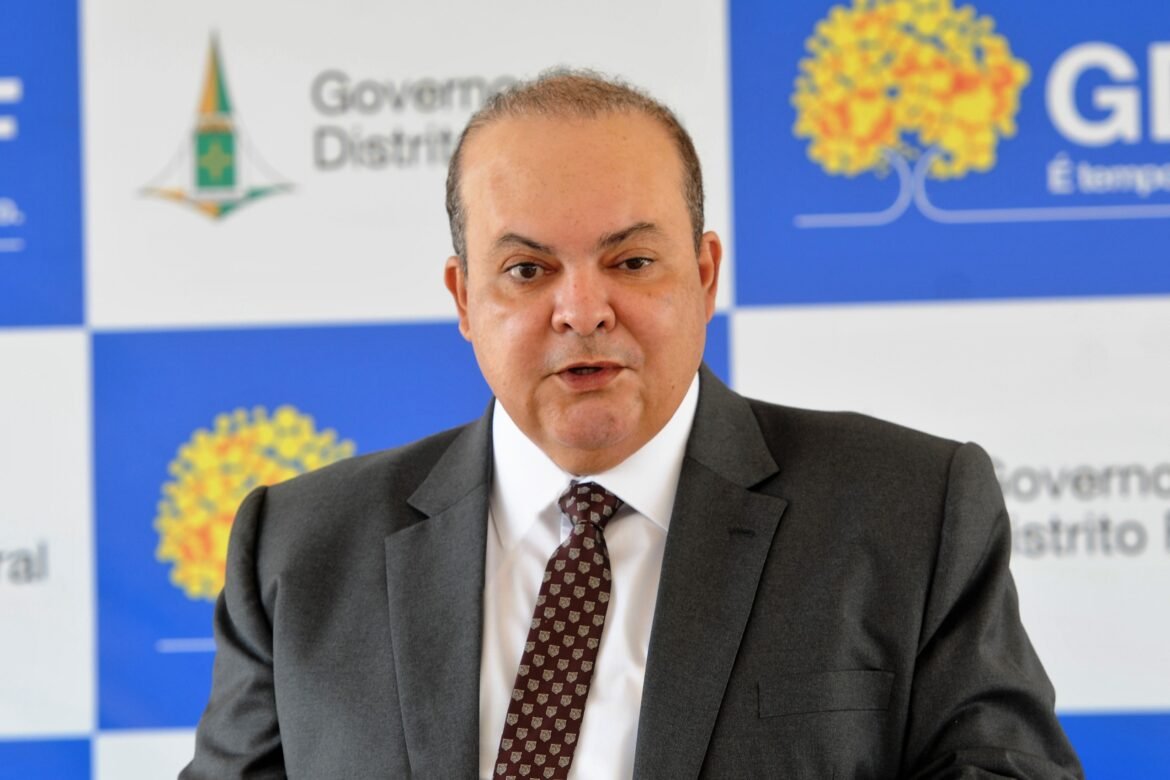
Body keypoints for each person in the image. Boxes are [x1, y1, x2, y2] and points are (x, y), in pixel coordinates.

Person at [182, 70, 1083, 779]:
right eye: (528, 271)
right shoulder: (299, 548)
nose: (583, 310)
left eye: (632, 261)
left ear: (705, 275)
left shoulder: (909, 511)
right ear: (463, 298)